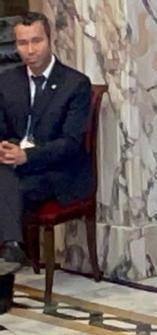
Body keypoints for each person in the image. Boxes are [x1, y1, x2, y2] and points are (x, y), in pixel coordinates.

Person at [0, 12, 94, 266]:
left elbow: (71, 144)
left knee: (8, 189)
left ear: (49, 40)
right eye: (22, 43)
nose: (30, 50)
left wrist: (26, 156)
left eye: (36, 41)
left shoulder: (75, 84)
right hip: (12, 167)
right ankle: (10, 247)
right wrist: (4, 148)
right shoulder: (7, 81)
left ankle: (10, 251)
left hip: (56, 172)